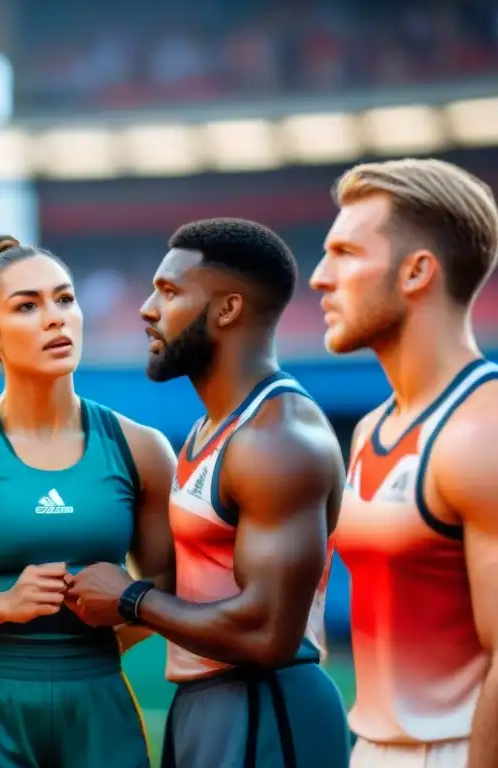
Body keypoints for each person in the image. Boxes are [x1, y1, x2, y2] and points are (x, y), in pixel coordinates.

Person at [0, 235, 177, 768]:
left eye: (65, 299)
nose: (55, 318)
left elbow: (169, 592)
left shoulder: (142, 449)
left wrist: (118, 614)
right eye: (27, 306)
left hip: (101, 707)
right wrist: (3, 606)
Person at [68, 218, 352, 768]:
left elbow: (269, 632)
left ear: (227, 310)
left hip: (266, 705)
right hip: (208, 701)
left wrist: (131, 599)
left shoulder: (276, 438)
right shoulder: (208, 431)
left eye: (170, 291)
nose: (147, 308)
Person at [310, 158, 498, 768]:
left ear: (417, 272)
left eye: (345, 253)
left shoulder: (481, 430)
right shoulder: (371, 427)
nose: (319, 278)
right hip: (372, 747)